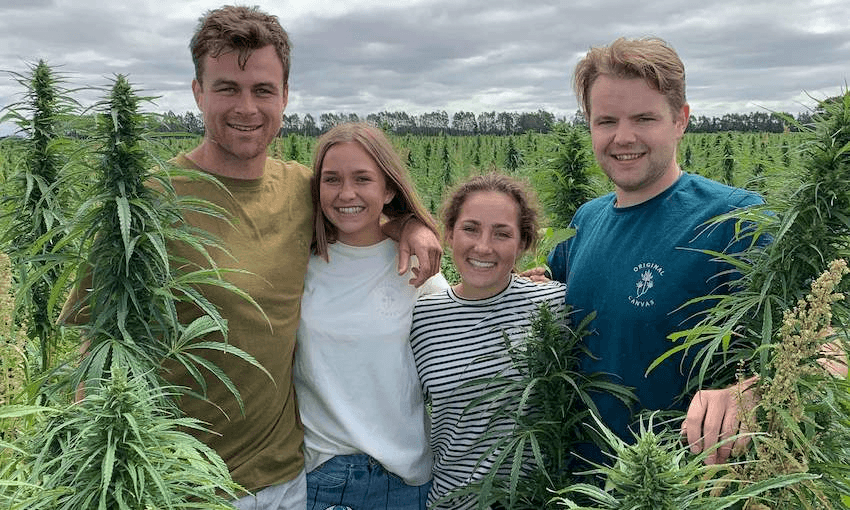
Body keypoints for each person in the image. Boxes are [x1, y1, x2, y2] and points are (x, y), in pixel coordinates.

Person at [62, 6, 441, 510]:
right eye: (227, 88)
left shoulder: (301, 190)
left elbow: (359, 213)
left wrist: (411, 224)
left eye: (263, 90)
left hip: (287, 479)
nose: (247, 107)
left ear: (285, 96)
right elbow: (98, 348)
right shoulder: (142, 204)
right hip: (180, 483)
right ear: (198, 92)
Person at [535, 36, 766, 466]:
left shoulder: (734, 218)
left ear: (681, 120)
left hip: (677, 486)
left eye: (644, 118)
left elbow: (824, 344)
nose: (623, 137)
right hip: (578, 484)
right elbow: (543, 301)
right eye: (606, 121)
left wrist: (751, 391)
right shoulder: (585, 221)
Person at [293, 123, 449, 510]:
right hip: (323, 479)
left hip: (406, 480)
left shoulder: (417, 266)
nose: (347, 193)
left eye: (363, 179)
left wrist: (525, 289)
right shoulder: (299, 263)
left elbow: (463, 331)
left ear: (389, 189)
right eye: (332, 180)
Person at [410, 173, 566, 510]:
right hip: (450, 501)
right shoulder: (420, 317)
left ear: (523, 243)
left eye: (502, 233)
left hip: (534, 500)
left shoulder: (553, 306)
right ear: (448, 234)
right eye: (470, 228)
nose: (483, 246)